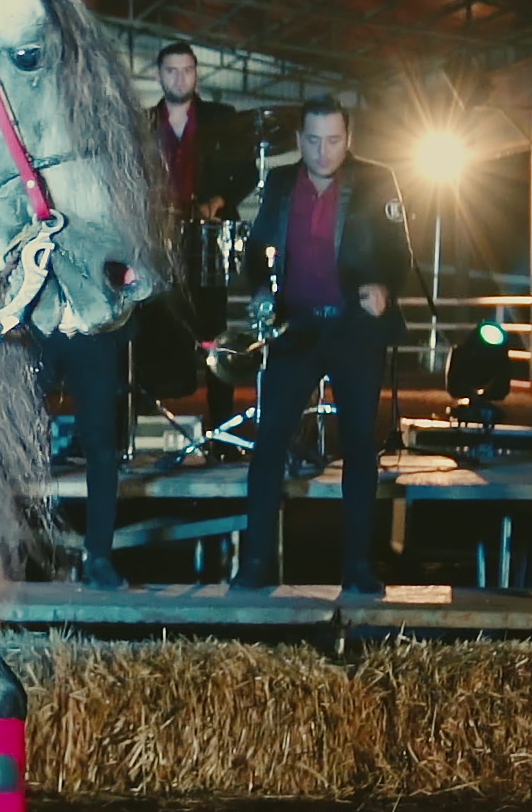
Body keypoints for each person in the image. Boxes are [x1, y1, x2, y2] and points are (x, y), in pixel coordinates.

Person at [233, 99, 406, 595]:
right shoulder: (282, 183)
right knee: (268, 448)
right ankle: (256, 563)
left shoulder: (378, 180)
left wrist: (385, 288)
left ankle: (357, 566)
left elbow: (401, 251)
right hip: (295, 332)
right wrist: (262, 290)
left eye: (332, 139)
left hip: (354, 331)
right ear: (298, 140)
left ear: (348, 140)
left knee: (359, 448)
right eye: (312, 139)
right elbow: (256, 249)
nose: (322, 150)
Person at [136, 42, 258, 454]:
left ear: (196, 73)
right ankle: (138, 430)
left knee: (213, 332)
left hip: (207, 238)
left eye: (186, 70)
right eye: (171, 71)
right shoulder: (141, 123)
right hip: (157, 241)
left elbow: (248, 171)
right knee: (152, 324)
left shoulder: (222, 120)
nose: (179, 78)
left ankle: (221, 432)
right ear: (158, 74)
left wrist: (219, 201)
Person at [25, 327, 129, 589]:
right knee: (10, 434)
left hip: (93, 333)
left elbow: (140, 286)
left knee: (102, 449)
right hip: (38, 330)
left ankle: (99, 558)